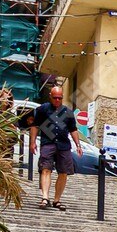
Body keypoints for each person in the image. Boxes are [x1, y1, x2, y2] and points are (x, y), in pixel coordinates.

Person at [27, 80, 83, 210]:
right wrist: (33, 142)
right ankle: (45, 197)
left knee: (63, 172)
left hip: (64, 145)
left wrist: (78, 145)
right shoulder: (43, 109)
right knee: (46, 169)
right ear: (50, 97)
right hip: (48, 144)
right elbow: (34, 126)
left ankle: (57, 200)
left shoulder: (68, 112)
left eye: (60, 98)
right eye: (55, 98)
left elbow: (73, 129)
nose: (58, 100)